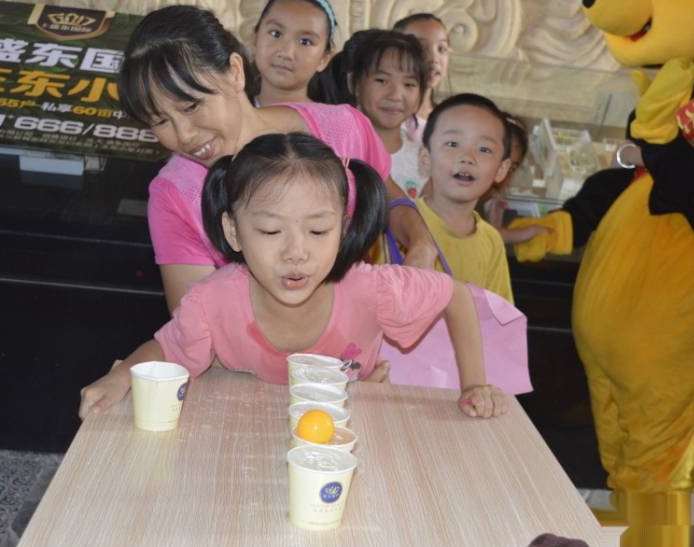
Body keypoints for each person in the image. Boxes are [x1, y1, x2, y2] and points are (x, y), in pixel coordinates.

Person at [78, 133, 508, 420]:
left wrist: (474, 383)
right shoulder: (211, 303)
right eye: (270, 231)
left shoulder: (370, 289)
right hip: (247, 432)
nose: (296, 252)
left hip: (349, 433)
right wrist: (122, 375)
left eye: (318, 231)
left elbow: (455, 295)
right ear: (233, 231)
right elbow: (168, 347)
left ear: (343, 229)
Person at [117, 5, 437, 314]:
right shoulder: (175, 195)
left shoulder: (343, 128)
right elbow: (196, 323)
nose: (185, 135)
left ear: (235, 72)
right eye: (160, 121)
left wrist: (420, 241)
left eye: (191, 106)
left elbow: (387, 194)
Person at [414, 93, 515, 303]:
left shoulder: (491, 242)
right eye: (452, 144)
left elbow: (499, 315)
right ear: (425, 158)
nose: (468, 158)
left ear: (501, 169)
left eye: (484, 149)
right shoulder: (401, 223)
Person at [349, 30, 429, 199]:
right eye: (382, 80)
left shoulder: (424, 162)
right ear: (354, 84)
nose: (395, 95)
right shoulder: (336, 151)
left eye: (409, 84)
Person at [252, 0, 335, 106]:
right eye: (276, 33)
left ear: (323, 59)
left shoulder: (330, 117)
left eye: (305, 42)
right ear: (255, 38)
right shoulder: (233, 113)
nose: (286, 53)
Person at [482, 113, 548, 245]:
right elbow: (474, 236)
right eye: (498, 162)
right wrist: (523, 234)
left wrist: (494, 220)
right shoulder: (458, 194)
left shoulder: (487, 198)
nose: (501, 173)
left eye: (511, 168)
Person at [393, 13, 450, 142]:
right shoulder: (388, 115)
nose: (434, 58)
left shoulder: (450, 117)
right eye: (421, 48)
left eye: (441, 49)